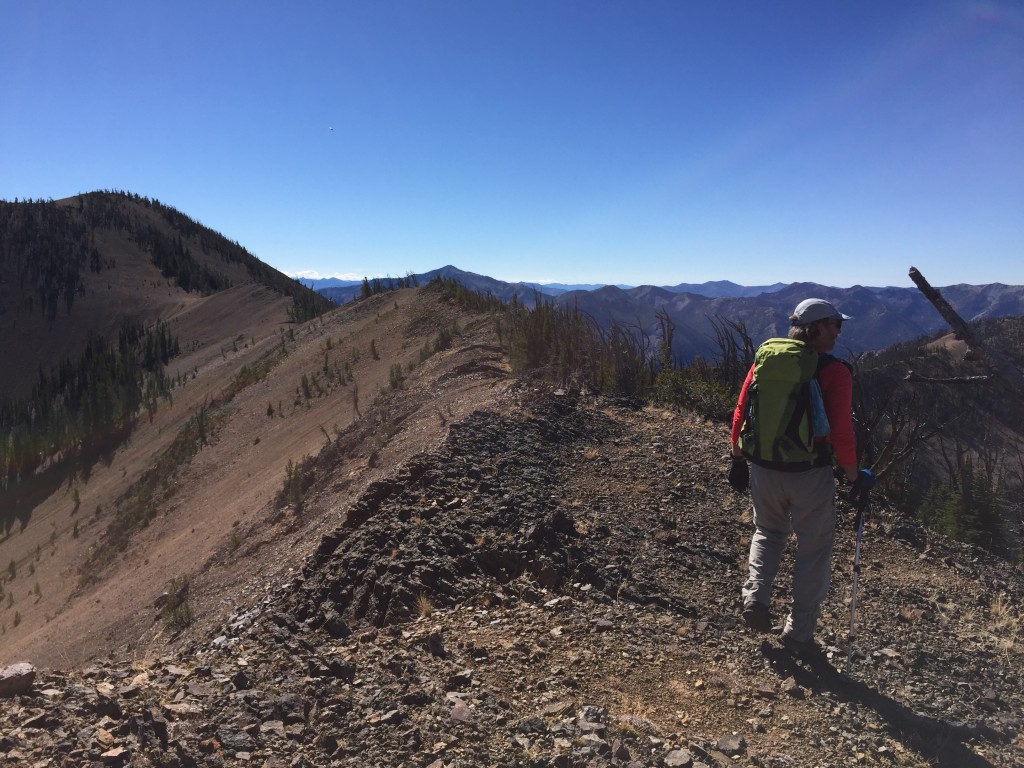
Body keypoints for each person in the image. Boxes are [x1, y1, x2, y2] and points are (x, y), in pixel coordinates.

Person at [729, 298, 859, 654]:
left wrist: (737, 458)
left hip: (764, 468)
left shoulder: (767, 360)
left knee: (768, 532)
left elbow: (742, 408)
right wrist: (853, 476)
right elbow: (842, 432)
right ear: (818, 328)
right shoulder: (834, 370)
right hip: (809, 473)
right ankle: (799, 632)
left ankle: (755, 598)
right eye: (835, 325)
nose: (838, 332)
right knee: (813, 550)